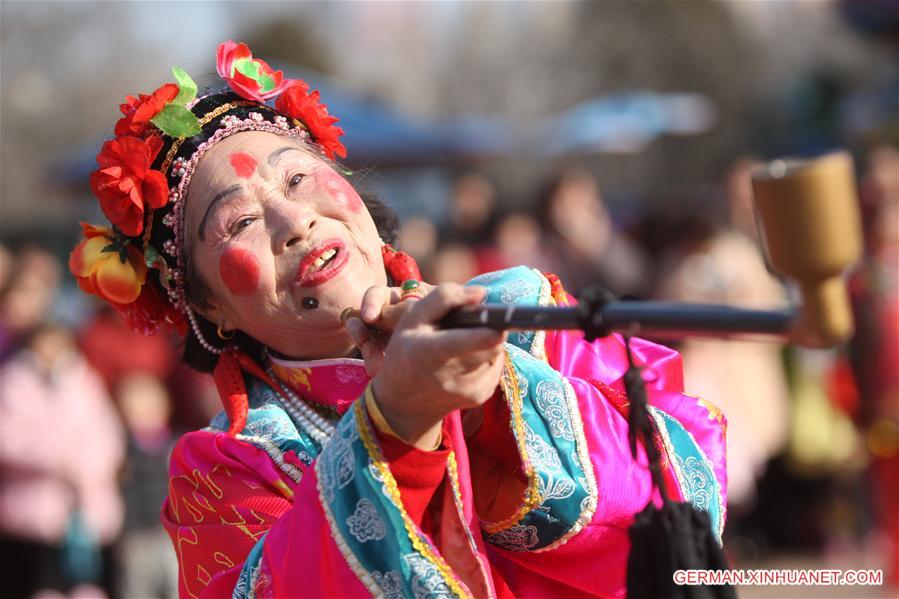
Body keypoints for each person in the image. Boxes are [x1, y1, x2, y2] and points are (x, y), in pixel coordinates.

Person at [69, 41, 727, 598]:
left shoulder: (524, 312)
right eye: (239, 221)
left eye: (299, 179)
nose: (294, 221)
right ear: (208, 306)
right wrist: (396, 425)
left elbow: (686, 485)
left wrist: (492, 400)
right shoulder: (224, 468)